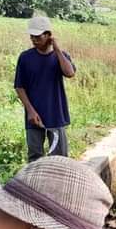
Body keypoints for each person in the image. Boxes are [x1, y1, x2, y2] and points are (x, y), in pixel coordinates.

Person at [15, 15, 76, 159]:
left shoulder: (60, 57)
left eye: (38, 37)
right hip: (34, 117)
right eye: (32, 37)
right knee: (35, 157)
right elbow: (19, 86)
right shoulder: (25, 57)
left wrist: (57, 49)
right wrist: (30, 110)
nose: (34, 40)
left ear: (48, 35)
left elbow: (70, 73)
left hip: (56, 115)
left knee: (60, 157)